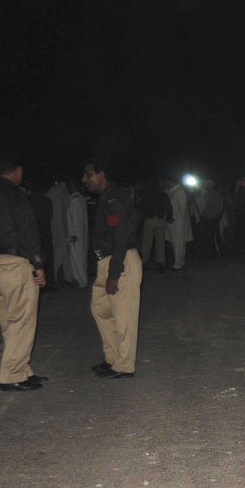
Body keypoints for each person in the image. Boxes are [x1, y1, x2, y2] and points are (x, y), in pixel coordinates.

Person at [0, 156, 48, 391]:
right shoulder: (16, 195)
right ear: (17, 171)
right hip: (15, 261)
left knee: (9, 321)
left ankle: (23, 369)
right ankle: (11, 375)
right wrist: (38, 265)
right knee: (22, 319)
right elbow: (28, 231)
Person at [83, 159, 142, 379]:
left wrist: (114, 272)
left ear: (100, 174)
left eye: (87, 175)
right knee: (100, 309)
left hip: (121, 259)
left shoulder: (116, 197)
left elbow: (120, 236)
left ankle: (125, 365)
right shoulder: (106, 197)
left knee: (124, 316)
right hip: (107, 261)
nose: (84, 179)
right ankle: (113, 358)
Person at [140, 177, 172, 270]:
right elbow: (169, 207)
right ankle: (160, 263)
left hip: (150, 219)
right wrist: (169, 217)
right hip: (161, 220)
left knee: (147, 242)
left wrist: (145, 215)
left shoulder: (147, 194)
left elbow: (142, 207)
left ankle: (144, 261)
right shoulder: (164, 195)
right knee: (160, 242)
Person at [64, 182, 89, 287]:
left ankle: (81, 281)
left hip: (75, 235)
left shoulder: (74, 201)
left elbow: (75, 220)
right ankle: (79, 280)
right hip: (81, 233)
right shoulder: (81, 199)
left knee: (77, 258)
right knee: (80, 257)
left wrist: (73, 235)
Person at [165, 177, 191, 270]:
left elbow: (182, 208)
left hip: (177, 222)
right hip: (174, 222)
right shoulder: (172, 191)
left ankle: (178, 264)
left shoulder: (179, 191)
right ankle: (180, 262)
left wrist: (174, 218)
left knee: (178, 243)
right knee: (176, 243)